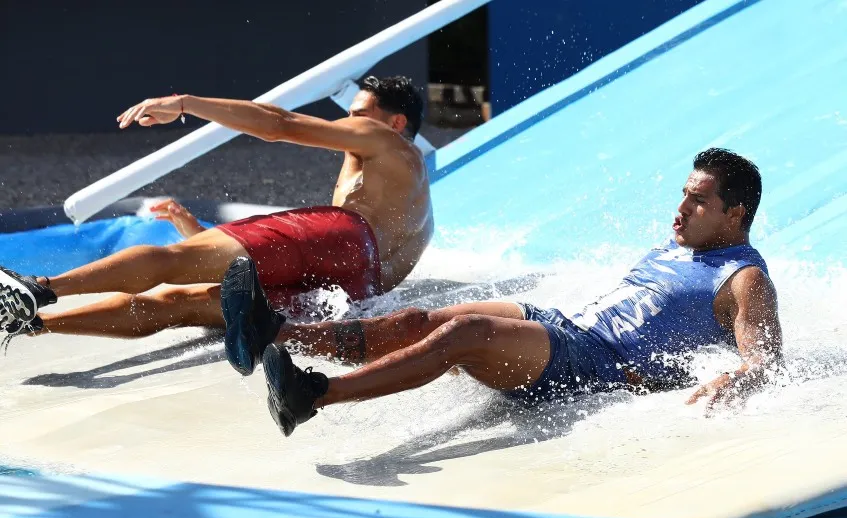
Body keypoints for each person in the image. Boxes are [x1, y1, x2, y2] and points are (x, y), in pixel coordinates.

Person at [221, 148, 784, 437]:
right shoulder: (683, 243)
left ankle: (312, 396)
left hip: (593, 364)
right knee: (424, 318)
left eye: (699, 202)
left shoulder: (744, 279)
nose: (680, 209)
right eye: (683, 195)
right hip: (565, 327)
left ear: (736, 214)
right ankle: (274, 331)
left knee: (464, 334)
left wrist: (741, 375)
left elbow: (767, 358)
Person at [0, 76, 433, 373]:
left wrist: (186, 104)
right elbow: (341, 262)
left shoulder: (383, 141)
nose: (346, 123)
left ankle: (42, 288)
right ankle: (34, 323)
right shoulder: (420, 213)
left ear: (397, 123)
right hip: (354, 290)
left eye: (359, 113)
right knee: (182, 303)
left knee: (174, 262)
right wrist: (201, 236)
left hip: (344, 235)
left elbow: (280, 125)